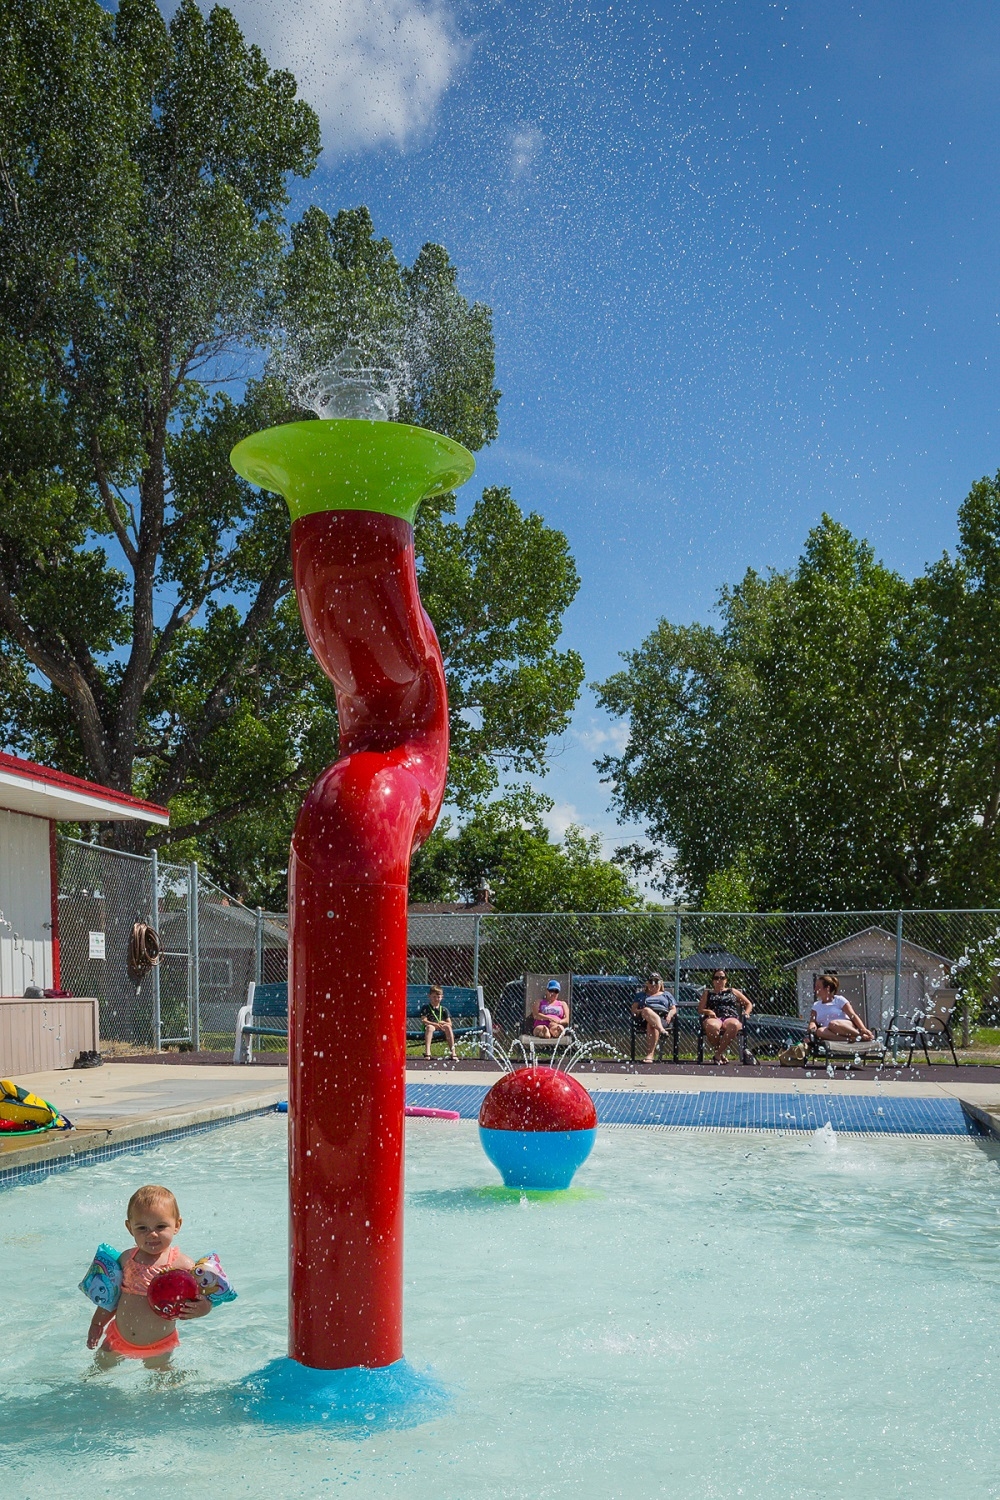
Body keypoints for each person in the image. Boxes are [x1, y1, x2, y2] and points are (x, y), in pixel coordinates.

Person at [86, 1184, 211, 1368]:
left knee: (162, 1380)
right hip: (118, 1338)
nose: (152, 1234)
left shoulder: (183, 1265)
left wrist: (204, 1308)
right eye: (142, 1228)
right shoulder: (126, 1259)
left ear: (177, 1225)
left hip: (159, 1345)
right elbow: (111, 1298)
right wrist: (97, 1324)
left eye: (160, 1226)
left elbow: (204, 1297)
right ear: (130, 1228)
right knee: (97, 1370)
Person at [698, 967, 753, 1065]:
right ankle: (720, 1054)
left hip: (730, 1016)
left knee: (734, 1025)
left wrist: (746, 1013)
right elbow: (700, 1009)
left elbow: (748, 1004)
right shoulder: (708, 993)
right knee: (712, 1026)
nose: (719, 980)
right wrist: (708, 1011)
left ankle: (718, 1054)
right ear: (713, 980)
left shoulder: (732, 991)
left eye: (722, 978)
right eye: (716, 978)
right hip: (714, 1017)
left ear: (726, 980)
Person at [808, 971, 874, 1045]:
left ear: (827, 988)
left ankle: (861, 1035)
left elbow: (853, 1015)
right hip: (830, 1032)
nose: (815, 989)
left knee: (833, 1024)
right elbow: (812, 1021)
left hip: (845, 1027)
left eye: (818, 986)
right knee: (820, 1031)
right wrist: (812, 1026)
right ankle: (849, 1039)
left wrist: (863, 1029)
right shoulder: (816, 1005)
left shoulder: (839, 1000)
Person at [630, 973, 677, 1064]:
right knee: (647, 1010)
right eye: (651, 981)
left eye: (656, 982)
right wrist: (642, 1011)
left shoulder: (666, 995)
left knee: (652, 1025)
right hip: (644, 1018)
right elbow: (634, 1009)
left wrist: (670, 1015)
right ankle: (662, 1031)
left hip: (662, 1017)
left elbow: (673, 1009)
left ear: (661, 983)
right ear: (647, 983)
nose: (653, 984)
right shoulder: (641, 995)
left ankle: (650, 1055)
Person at [420, 985, 458, 1060]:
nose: (436, 999)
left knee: (448, 1027)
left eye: (438, 997)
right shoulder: (426, 1008)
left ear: (442, 997)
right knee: (430, 1027)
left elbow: (450, 1023)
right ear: (429, 996)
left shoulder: (444, 1009)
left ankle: (453, 1053)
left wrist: (444, 1023)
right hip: (431, 1025)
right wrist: (434, 1024)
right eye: (434, 997)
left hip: (441, 1026)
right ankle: (428, 1052)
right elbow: (424, 1020)